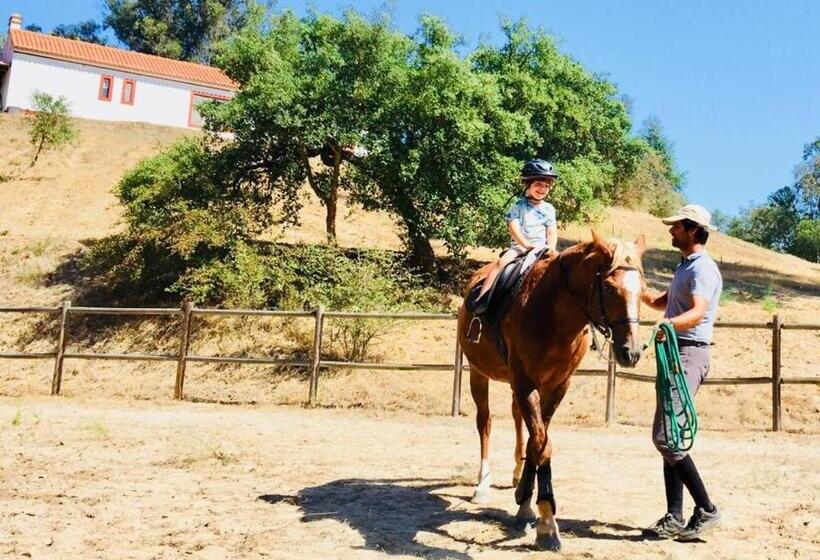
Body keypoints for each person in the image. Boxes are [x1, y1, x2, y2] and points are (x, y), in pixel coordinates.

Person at [641, 204, 723, 541]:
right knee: (670, 438)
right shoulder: (686, 266)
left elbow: (697, 313)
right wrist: (641, 294)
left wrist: (667, 324)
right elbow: (668, 300)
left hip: (688, 353)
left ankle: (706, 509)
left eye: (677, 227)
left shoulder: (702, 268)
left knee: (665, 437)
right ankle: (674, 516)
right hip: (678, 353)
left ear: (692, 230)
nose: (671, 230)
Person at [476, 159, 559, 301]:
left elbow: (551, 232)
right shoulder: (518, 206)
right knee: (501, 264)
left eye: (546, 186)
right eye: (538, 184)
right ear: (527, 184)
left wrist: (551, 248)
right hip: (520, 247)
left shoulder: (549, 208)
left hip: (543, 249)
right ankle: (483, 300)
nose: (543, 189)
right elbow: (513, 229)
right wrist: (526, 245)